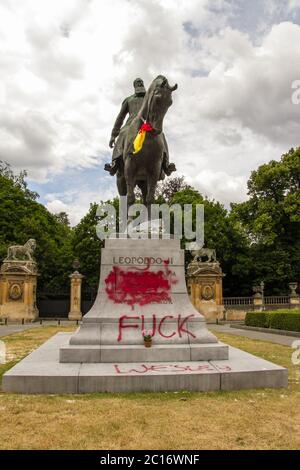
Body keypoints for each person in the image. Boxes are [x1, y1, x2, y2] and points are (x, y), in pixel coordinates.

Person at [104, 78, 175, 177]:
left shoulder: (151, 96)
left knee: (161, 135)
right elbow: (120, 117)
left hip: (148, 123)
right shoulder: (129, 100)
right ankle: (115, 163)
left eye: (141, 82)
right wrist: (113, 134)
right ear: (134, 86)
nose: (140, 84)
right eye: (138, 83)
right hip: (130, 125)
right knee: (123, 133)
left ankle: (166, 165)